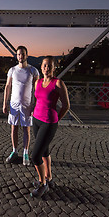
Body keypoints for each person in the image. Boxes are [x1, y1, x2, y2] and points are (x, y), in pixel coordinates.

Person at [30, 56, 70, 197]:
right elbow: (37, 100)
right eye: (45, 65)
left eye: (50, 66)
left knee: (35, 156)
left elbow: (66, 106)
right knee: (45, 151)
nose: (47, 68)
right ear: (41, 67)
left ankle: (43, 184)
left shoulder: (58, 83)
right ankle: (49, 178)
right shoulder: (37, 82)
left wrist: (56, 119)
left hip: (49, 122)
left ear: (54, 68)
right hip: (36, 120)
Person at [3, 46, 39, 166]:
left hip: (27, 104)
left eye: (22, 54)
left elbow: (36, 90)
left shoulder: (33, 71)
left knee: (26, 129)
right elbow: (8, 86)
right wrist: (5, 103)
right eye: (18, 54)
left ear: (27, 55)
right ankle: (14, 151)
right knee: (14, 128)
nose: (20, 56)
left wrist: (35, 105)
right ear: (17, 56)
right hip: (14, 104)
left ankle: (25, 152)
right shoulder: (12, 70)